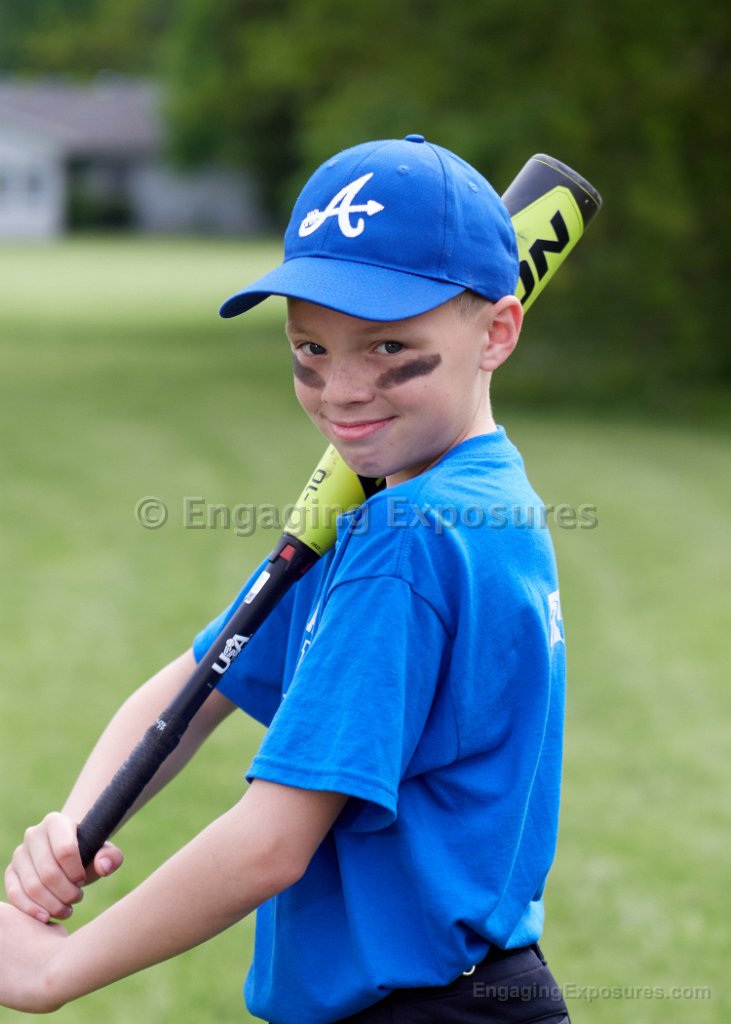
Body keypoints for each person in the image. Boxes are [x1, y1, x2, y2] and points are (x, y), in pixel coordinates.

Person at [0, 134, 570, 1023]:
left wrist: (56, 970)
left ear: (495, 332)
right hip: (467, 990)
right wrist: (75, 827)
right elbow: (202, 681)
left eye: (389, 346)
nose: (342, 389)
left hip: (419, 1007)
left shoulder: (408, 537)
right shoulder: (442, 503)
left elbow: (270, 843)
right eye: (310, 348)